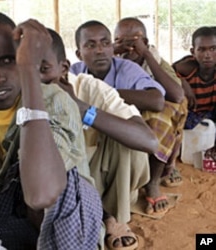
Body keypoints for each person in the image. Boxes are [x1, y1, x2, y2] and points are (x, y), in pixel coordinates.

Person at [0, 10, 103, 250]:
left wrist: (29, 70)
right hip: (4, 218)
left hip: (61, 223)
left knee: (59, 177)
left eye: (9, 60)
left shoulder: (55, 100)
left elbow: (42, 194)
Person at [40, 27, 159, 250]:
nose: (33, 80)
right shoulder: (11, 97)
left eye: (42, 69)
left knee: (124, 137)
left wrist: (82, 109)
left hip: (93, 177)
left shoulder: (90, 88)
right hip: (46, 186)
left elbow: (149, 141)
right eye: (24, 72)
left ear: (63, 68)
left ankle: (112, 216)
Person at [70, 20, 181, 215]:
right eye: (90, 45)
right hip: (88, 144)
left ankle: (123, 209)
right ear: (79, 54)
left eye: (105, 43)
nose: (99, 50)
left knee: (135, 133)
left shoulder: (127, 68)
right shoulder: (75, 73)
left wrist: (101, 93)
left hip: (121, 140)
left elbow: (158, 100)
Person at [113, 17, 187, 191]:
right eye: (119, 42)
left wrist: (145, 54)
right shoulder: (111, 61)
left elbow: (177, 96)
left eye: (131, 43)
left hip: (150, 111)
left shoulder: (156, 61)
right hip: (123, 112)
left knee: (162, 116)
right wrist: (110, 51)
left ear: (144, 43)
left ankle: (153, 182)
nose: (126, 48)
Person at [173, 26, 216, 160]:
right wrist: (182, 82)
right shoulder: (186, 67)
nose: (207, 54)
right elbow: (165, 72)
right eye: (201, 49)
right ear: (193, 52)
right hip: (190, 115)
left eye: (213, 49)